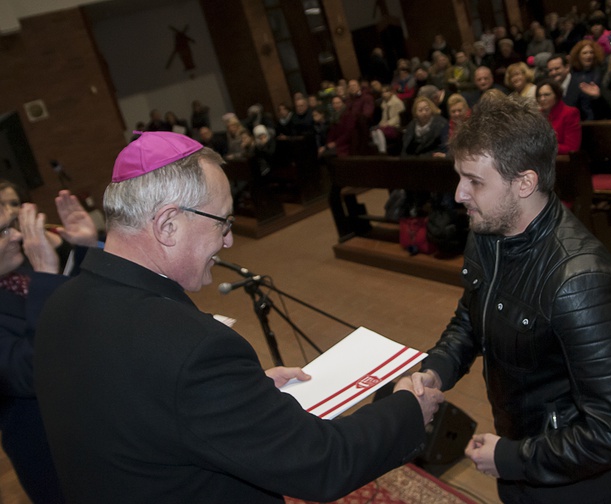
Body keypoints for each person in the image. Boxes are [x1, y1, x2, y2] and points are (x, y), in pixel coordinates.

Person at [33, 132, 444, 503]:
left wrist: (236, 395)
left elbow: (135, 406)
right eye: (222, 222)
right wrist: (409, 408)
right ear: (168, 225)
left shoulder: (59, 305)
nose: (229, 240)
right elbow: (321, 463)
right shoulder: (193, 349)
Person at [409, 97, 611, 504]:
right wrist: (435, 371)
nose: (459, 195)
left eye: (474, 181)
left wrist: (512, 457)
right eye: (459, 177)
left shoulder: (581, 281)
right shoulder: (487, 232)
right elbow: (470, 319)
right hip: (521, 450)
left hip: (579, 481)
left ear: (524, 182)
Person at [1, 190, 98, 503]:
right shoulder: (33, 272)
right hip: (51, 450)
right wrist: (45, 272)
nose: (17, 235)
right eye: (3, 231)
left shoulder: (20, 274)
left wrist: (84, 249)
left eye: (13, 224)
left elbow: (78, 309)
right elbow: (28, 373)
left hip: (95, 426)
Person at [536, 78, 582, 154]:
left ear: (556, 95)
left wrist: (544, 147)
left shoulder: (569, 113)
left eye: (547, 95)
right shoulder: (538, 115)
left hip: (562, 162)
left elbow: (572, 148)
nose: (542, 99)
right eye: (539, 95)